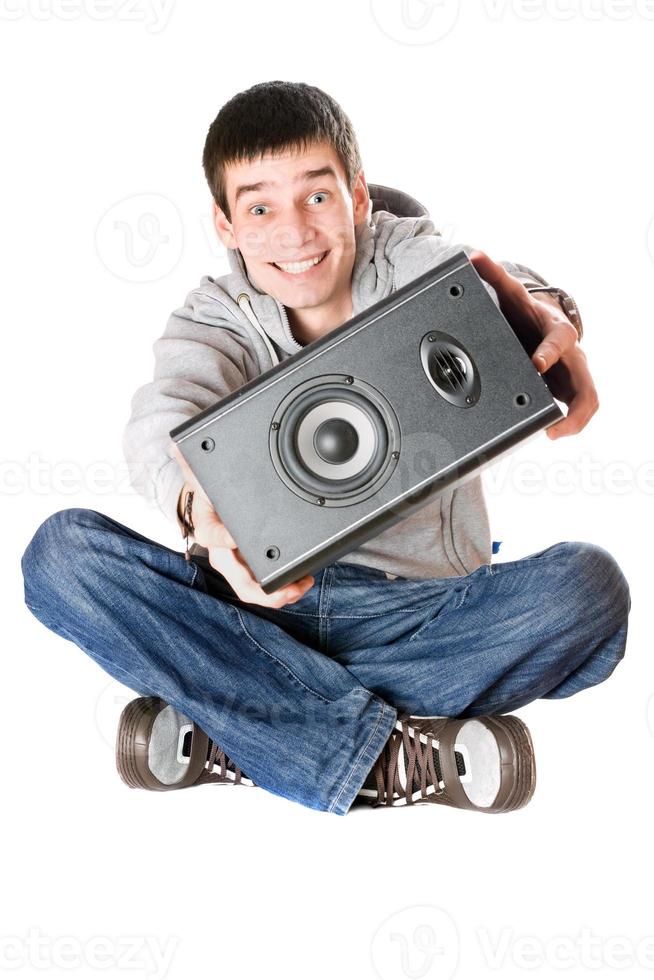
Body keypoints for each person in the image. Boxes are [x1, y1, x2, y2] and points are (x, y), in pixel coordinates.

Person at [21, 80, 630, 815]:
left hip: (420, 609)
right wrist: (198, 513)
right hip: (255, 604)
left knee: (587, 590)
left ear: (358, 196)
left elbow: (476, 286)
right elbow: (162, 415)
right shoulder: (216, 318)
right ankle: (381, 752)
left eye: (316, 196)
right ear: (225, 222)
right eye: (259, 207)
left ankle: (236, 717)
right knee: (62, 557)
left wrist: (550, 314)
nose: (295, 234)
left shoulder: (407, 258)